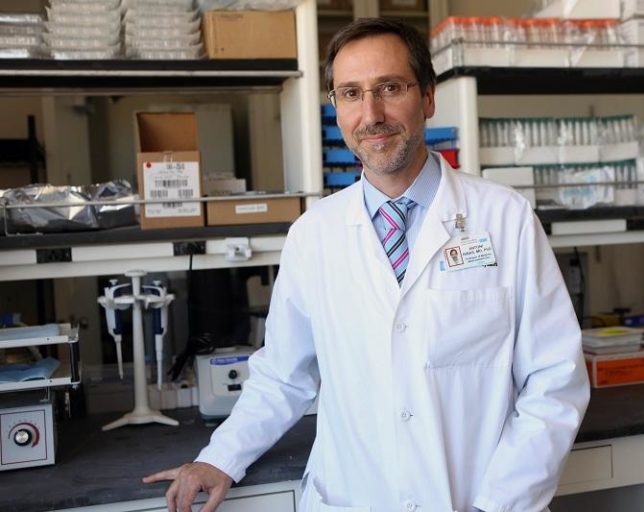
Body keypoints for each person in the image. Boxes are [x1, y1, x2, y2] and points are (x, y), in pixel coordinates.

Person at [143, 17, 589, 512]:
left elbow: (554, 379)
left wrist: (500, 502)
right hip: (353, 498)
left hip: (475, 501)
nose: (371, 114)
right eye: (351, 94)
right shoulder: (314, 235)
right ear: (336, 109)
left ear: (428, 97)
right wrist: (220, 458)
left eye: (390, 88)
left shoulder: (505, 218)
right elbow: (283, 375)